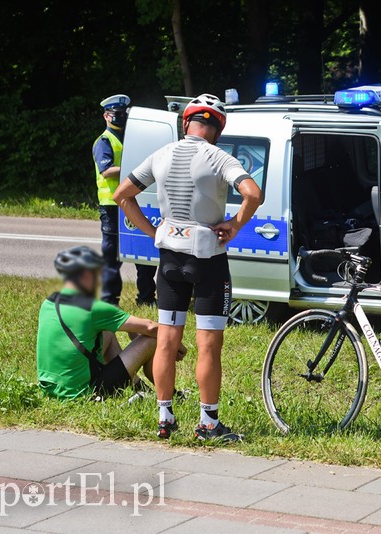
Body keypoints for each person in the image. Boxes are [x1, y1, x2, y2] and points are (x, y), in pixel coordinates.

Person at [113, 93, 262, 441]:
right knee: (209, 345)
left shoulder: (162, 154)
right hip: (208, 258)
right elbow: (253, 193)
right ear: (218, 129)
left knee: (166, 340)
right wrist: (235, 224)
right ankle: (208, 424)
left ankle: (165, 418)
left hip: (169, 258)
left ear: (186, 123)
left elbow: (122, 193)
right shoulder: (220, 157)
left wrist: (152, 231)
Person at [36, 246, 184, 400]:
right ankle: (171, 395)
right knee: (152, 339)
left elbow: (129, 326)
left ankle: (139, 387)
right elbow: (150, 327)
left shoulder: (49, 303)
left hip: (51, 390)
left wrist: (132, 331)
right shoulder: (93, 308)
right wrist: (176, 343)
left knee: (107, 332)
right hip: (84, 394)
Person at [93, 94, 157, 306]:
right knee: (112, 257)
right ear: (106, 116)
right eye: (115, 114)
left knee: (144, 251)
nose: (120, 117)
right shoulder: (103, 141)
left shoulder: (132, 139)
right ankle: (109, 301)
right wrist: (135, 170)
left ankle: (146, 298)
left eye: (123, 114)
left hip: (135, 202)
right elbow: (106, 171)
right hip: (112, 206)